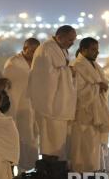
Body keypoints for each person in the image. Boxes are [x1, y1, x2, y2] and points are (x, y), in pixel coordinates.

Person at [28, 25, 77, 162]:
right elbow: (46, 76)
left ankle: (58, 166)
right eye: (69, 40)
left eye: (73, 40)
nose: (72, 43)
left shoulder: (61, 49)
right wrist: (68, 72)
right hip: (50, 103)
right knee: (51, 139)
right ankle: (50, 168)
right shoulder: (47, 49)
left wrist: (66, 71)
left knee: (58, 138)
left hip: (59, 102)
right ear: (59, 37)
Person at [69, 37, 109, 172]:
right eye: (93, 50)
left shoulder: (96, 66)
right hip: (84, 113)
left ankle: (94, 171)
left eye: (97, 50)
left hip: (97, 113)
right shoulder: (77, 66)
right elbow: (77, 90)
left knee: (95, 145)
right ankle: (82, 172)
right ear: (83, 50)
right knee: (83, 145)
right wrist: (97, 87)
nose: (97, 53)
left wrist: (102, 86)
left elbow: (103, 84)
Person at [2, 38, 40, 172]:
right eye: (32, 51)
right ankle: (17, 167)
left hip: (32, 107)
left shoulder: (37, 63)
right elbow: (11, 87)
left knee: (31, 137)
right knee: (19, 137)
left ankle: (30, 168)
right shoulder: (14, 63)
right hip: (17, 108)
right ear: (25, 49)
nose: (35, 54)